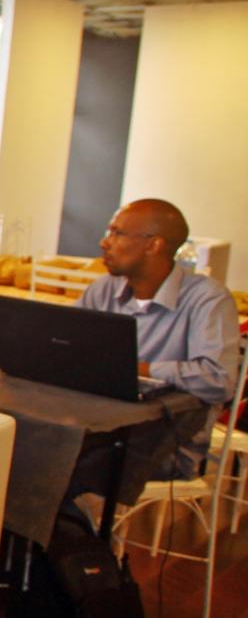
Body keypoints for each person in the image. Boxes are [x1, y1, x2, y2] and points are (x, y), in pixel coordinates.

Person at [77, 198, 239, 475]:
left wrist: (141, 369)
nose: (105, 243)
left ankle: (74, 518)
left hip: (165, 443)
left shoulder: (208, 299)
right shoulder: (103, 290)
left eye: (117, 233)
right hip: (98, 424)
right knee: (27, 443)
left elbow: (219, 379)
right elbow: (67, 341)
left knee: (61, 460)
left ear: (154, 244)